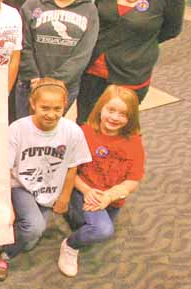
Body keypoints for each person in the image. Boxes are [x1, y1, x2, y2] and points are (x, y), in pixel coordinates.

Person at [76, 0, 184, 122]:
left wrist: (138, 43)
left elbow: (171, 29)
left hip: (131, 73)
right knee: (85, 125)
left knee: (117, 129)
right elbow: (99, 16)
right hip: (93, 70)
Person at [0, 78, 91, 281]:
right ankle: (3, 253)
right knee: (34, 228)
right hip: (21, 185)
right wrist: (7, 206)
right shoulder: (17, 129)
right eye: (45, 107)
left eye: (57, 108)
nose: (51, 114)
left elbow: (73, 166)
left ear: (65, 106)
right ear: (33, 104)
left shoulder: (73, 132)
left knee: (30, 239)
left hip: (49, 189)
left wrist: (64, 196)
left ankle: (17, 228)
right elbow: (3, 169)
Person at [59, 85, 145, 277]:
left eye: (123, 114)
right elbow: (68, 170)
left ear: (131, 117)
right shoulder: (84, 133)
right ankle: (70, 246)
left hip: (110, 198)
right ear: (100, 108)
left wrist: (108, 196)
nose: (115, 117)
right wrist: (88, 191)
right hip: (82, 189)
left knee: (95, 228)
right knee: (102, 231)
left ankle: (79, 218)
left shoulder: (134, 142)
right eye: (111, 110)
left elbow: (133, 180)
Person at [16, 0, 99, 118]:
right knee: (25, 133)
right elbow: (23, 44)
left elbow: (82, 54)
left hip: (65, 87)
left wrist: (53, 82)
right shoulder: (33, 4)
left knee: (51, 133)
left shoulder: (89, 10)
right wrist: (34, 78)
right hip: (29, 84)